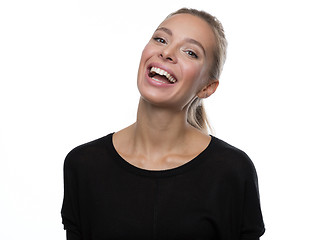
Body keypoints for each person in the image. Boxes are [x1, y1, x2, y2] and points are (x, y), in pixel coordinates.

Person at [61, 7, 265, 240]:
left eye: (190, 52)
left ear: (207, 87)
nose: (167, 52)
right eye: (160, 39)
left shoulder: (232, 171)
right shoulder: (83, 165)